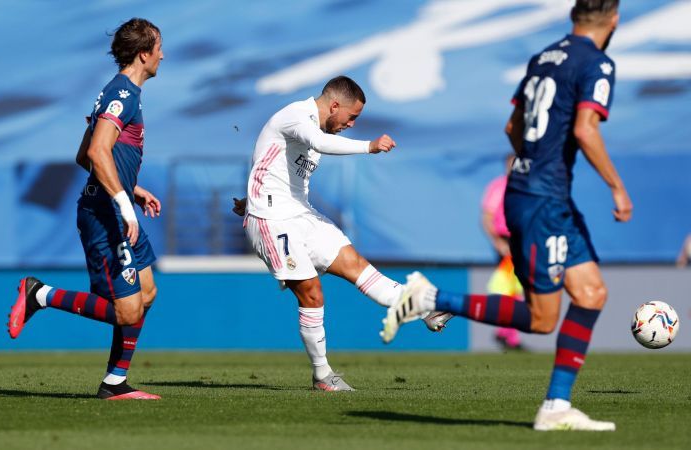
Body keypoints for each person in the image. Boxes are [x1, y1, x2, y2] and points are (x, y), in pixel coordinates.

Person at [381, 0, 632, 431]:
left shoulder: (543, 58)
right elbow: (585, 128)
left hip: (540, 194)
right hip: (543, 200)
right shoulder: (597, 63)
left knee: (591, 294)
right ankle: (431, 300)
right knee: (541, 319)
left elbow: (512, 128)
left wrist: (532, 170)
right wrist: (616, 186)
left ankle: (556, 407)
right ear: (614, 20)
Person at [232, 75, 449, 391]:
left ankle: (424, 309)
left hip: (301, 214)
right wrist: (369, 146)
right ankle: (323, 375)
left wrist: (249, 196)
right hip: (272, 220)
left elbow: (273, 165)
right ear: (334, 105)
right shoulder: (297, 116)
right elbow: (318, 144)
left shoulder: (315, 128)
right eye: (351, 116)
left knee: (357, 267)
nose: (351, 124)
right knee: (312, 292)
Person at [7, 18, 164, 400]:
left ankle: (115, 384)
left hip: (116, 206)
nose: (163, 54)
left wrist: (133, 188)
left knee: (146, 293)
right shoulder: (123, 94)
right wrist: (125, 204)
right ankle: (39, 294)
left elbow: (84, 155)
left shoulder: (118, 93)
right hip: (105, 215)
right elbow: (96, 152)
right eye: (159, 47)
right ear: (144, 54)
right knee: (125, 311)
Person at [481, 153, 526, 350]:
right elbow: (487, 218)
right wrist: (498, 242)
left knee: (518, 289)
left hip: (523, 242)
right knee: (506, 289)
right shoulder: (499, 187)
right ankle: (508, 336)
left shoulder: (527, 187)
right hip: (506, 243)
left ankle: (506, 334)